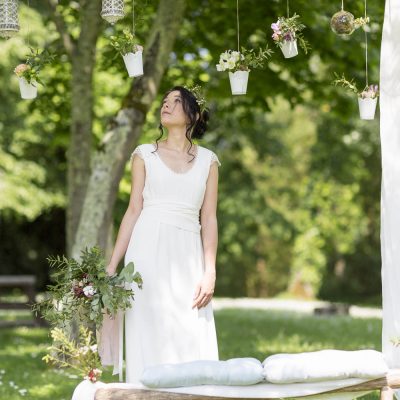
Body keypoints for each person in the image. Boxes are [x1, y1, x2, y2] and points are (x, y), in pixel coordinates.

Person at [105, 86, 220, 383]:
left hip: (188, 252)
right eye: (164, 101)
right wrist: (112, 265)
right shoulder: (144, 155)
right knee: (149, 328)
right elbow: (133, 210)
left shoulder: (209, 161)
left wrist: (210, 272)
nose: (166, 106)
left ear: (192, 116)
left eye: (176, 102)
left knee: (190, 327)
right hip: (147, 249)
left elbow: (208, 218)